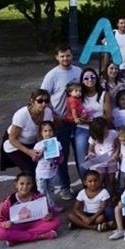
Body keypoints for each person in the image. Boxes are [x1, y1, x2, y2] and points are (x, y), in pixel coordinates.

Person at [40, 45, 82, 200]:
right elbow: (44, 97)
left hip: (78, 121)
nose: (66, 58)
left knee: (81, 155)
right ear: (57, 57)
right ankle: (65, 187)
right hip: (60, 122)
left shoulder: (78, 72)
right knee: (62, 155)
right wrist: (54, 116)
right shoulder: (52, 75)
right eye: (62, 56)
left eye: (68, 55)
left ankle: (87, 185)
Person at [0, 173, 61, 245]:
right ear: (16, 185)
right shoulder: (8, 202)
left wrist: (49, 215)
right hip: (16, 226)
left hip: (35, 224)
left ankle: (17, 238)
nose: (25, 186)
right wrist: (5, 224)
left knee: (56, 221)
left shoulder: (38, 197)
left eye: (28, 184)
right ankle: (40, 236)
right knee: (0, 233)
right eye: (21, 184)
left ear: (32, 185)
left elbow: (49, 211)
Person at [2, 89, 54, 176]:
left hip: (32, 144)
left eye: (46, 101)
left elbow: (47, 133)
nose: (44, 104)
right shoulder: (21, 115)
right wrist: (29, 152)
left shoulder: (48, 113)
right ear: (32, 101)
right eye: (40, 101)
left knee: (41, 169)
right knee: (30, 172)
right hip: (14, 145)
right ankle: (25, 189)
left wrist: (46, 149)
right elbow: (12, 139)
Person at [31, 121, 62, 213]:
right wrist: (40, 153)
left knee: (51, 190)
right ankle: (41, 209)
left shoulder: (57, 143)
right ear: (41, 133)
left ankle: (52, 205)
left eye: (50, 130)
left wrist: (58, 159)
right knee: (41, 191)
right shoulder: (38, 145)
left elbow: (61, 157)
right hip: (41, 173)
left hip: (52, 171)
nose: (48, 133)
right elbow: (34, 159)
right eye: (45, 131)